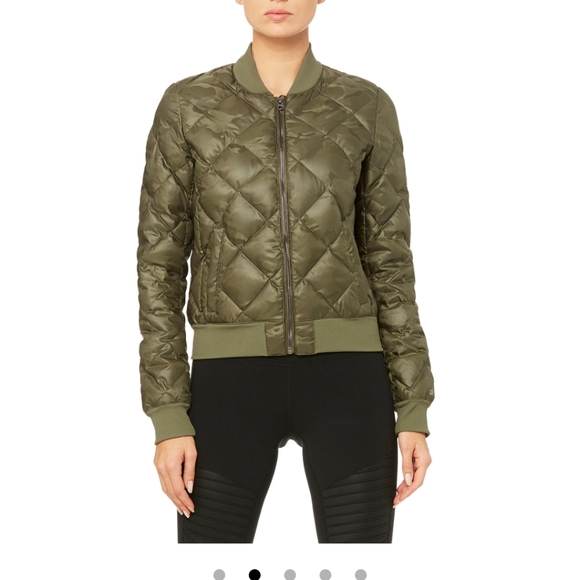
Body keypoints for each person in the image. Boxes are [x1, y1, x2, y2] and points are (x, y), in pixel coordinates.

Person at [137, 0, 434, 544]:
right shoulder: (187, 105)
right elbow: (159, 266)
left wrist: (412, 406)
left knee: (360, 572)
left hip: (351, 381)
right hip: (228, 386)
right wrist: (168, 413)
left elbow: (390, 261)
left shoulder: (365, 105)